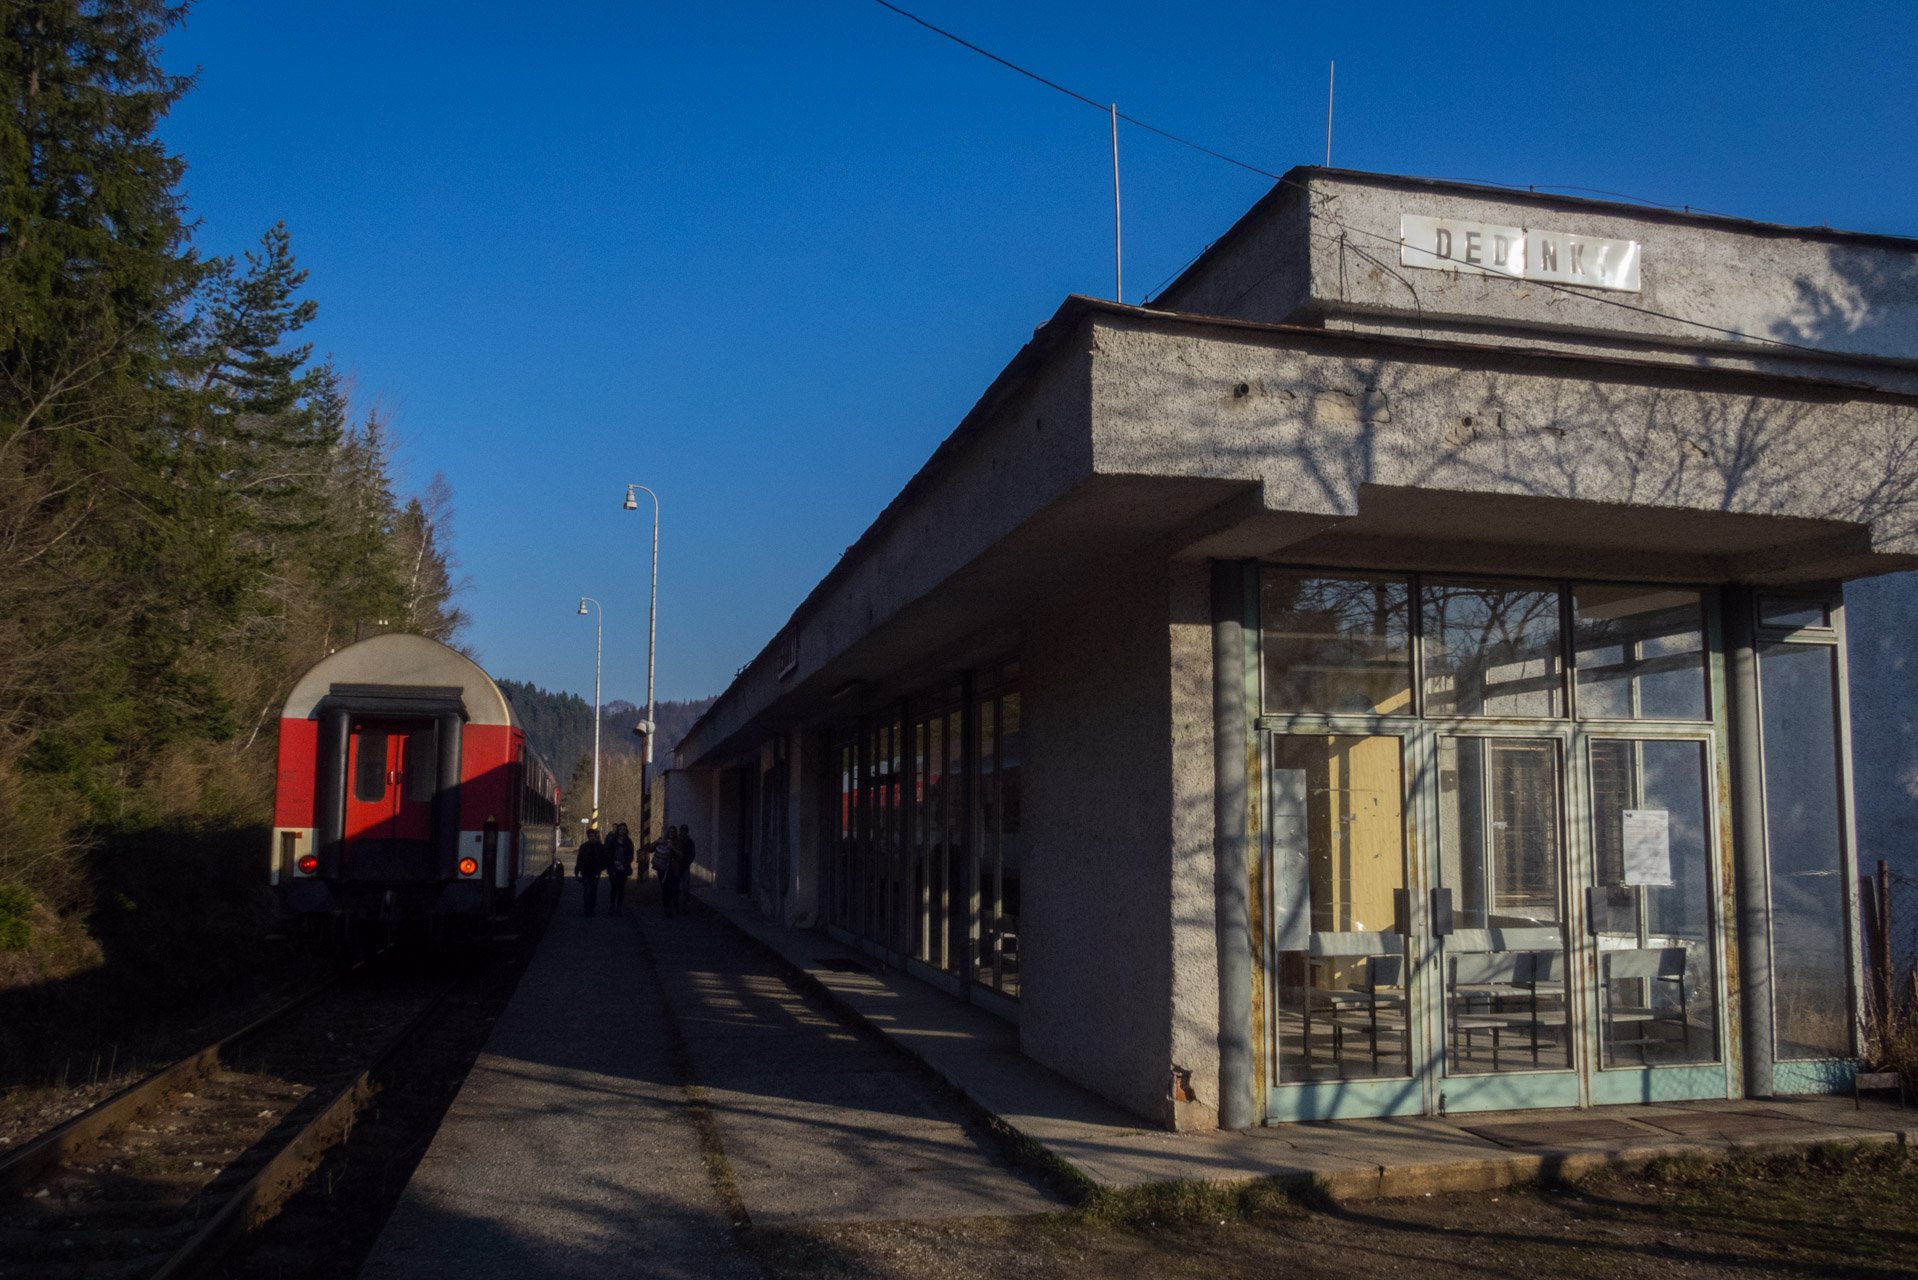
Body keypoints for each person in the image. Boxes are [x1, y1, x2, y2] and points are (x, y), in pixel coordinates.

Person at [604, 823, 636, 915]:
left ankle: (619, 907)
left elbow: (630, 856)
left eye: (623, 829)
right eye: (620, 829)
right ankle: (612, 905)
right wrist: (614, 862)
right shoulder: (612, 841)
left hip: (623, 868)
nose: (622, 831)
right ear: (618, 830)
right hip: (613, 868)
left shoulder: (628, 842)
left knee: (621, 888)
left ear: (626, 831)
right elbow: (607, 853)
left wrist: (624, 865)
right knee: (614, 887)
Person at [575, 828, 607, 917]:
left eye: (593, 836)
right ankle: (587, 909)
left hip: (595, 872)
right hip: (586, 871)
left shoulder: (600, 847)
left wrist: (602, 867)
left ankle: (591, 908)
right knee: (587, 890)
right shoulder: (584, 847)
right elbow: (580, 860)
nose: (592, 838)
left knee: (593, 891)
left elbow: (603, 858)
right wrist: (577, 871)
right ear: (588, 837)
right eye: (590, 836)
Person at [653, 828, 680, 919]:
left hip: (672, 869)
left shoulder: (677, 842)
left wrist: (673, 848)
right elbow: (650, 849)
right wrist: (657, 842)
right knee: (665, 889)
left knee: (671, 889)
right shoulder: (662, 841)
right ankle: (667, 908)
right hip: (662, 869)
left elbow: (681, 854)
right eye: (670, 831)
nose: (671, 833)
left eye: (673, 832)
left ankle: (671, 907)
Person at [672, 824, 697, 914]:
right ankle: (677, 906)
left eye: (685, 831)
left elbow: (692, 854)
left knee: (685, 888)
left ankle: (684, 907)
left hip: (685, 867)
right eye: (682, 831)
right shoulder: (676, 841)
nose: (683, 833)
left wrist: (688, 861)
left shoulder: (690, 842)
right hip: (677, 867)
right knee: (676, 888)